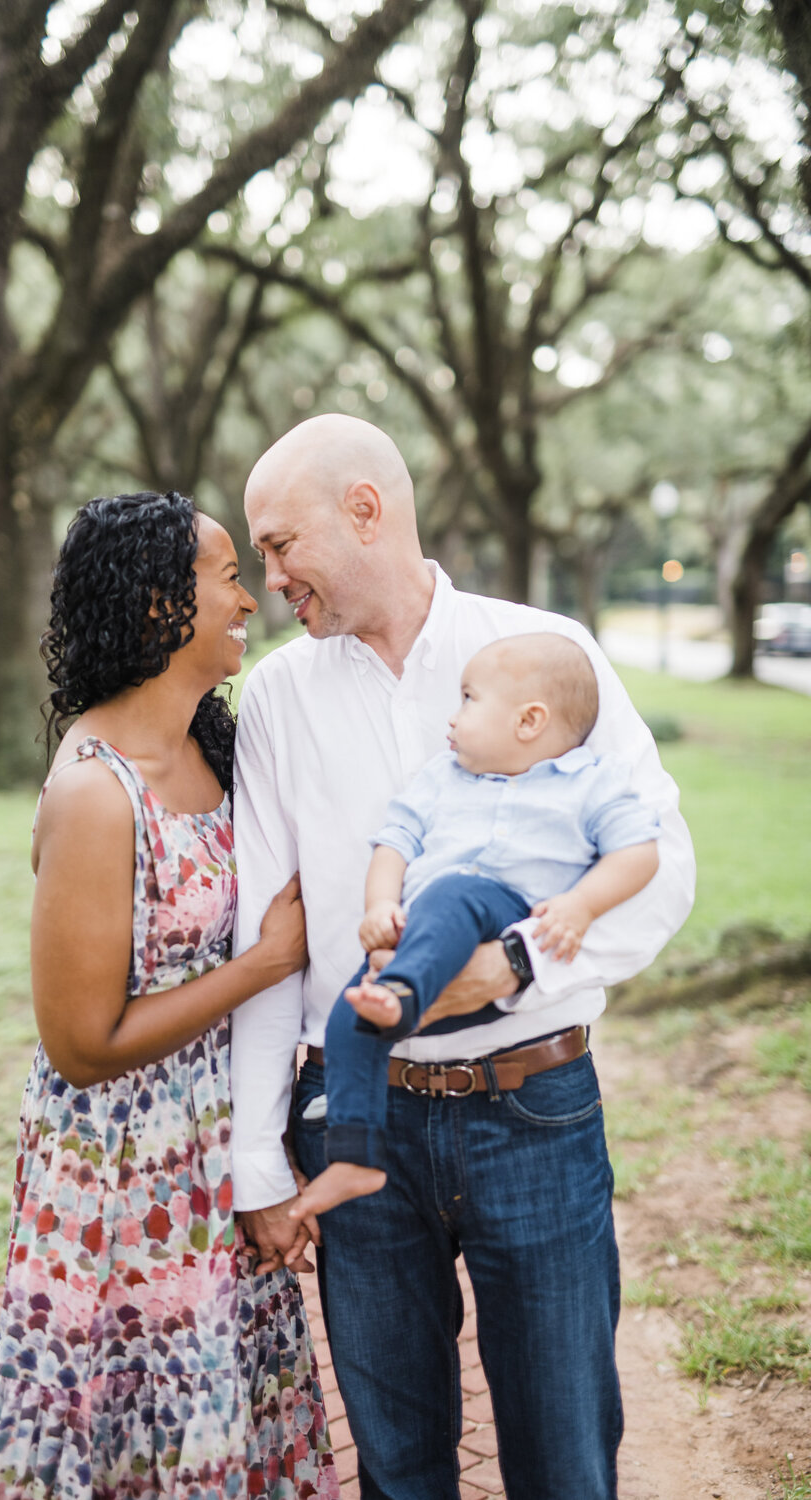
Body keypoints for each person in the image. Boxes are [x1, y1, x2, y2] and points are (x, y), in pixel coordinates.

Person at [228, 415, 696, 1500]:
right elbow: (268, 939)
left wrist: (516, 968)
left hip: (531, 1112)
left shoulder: (545, 651)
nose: (269, 578)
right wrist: (258, 1153)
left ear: (363, 510)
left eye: (280, 542)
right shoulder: (279, 699)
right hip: (354, 1117)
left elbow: (658, 865)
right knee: (396, 1470)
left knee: (562, 1457)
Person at [0, 491, 338, 1500]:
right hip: (124, 1183)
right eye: (226, 577)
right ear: (159, 606)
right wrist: (258, 967)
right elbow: (82, 1044)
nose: (249, 599)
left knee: (223, 1412)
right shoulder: (94, 791)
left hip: (214, 1154)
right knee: (136, 1425)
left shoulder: (215, 747)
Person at [293, 632, 660, 1221]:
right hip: (422, 940)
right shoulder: (442, 778)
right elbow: (393, 845)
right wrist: (380, 906)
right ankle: (354, 1154)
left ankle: (403, 998)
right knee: (348, 1014)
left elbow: (640, 853)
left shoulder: (592, 781)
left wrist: (580, 906)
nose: (453, 715)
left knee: (456, 892)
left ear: (529, 721)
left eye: (468, 698)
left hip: (501, 919)